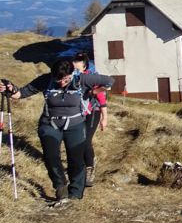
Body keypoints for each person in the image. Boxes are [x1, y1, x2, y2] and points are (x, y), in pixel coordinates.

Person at [2, 59, 113, 202]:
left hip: (75, 125)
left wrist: (94, 91)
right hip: (50, 124)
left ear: (72, 74)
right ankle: (60, 187)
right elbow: (21, 94)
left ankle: (75, 194)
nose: (61, 82)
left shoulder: (83, 79)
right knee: (51, 157)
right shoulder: (46, 80)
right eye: (58, 78)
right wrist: (10, 88)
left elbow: (109, 81)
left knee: (76, 160)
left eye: (65, 79)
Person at [72, 52, 108, 187]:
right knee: (78, 140)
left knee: (85, 140)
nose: (75, 63)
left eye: (78, 61)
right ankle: (85, 163)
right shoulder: (71, 78)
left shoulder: (90, 77)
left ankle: (89, 169)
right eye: (74, 60)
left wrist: (105, 118)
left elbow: (101, 96)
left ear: (84, 64)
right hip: (77, 113)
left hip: (93, 111)